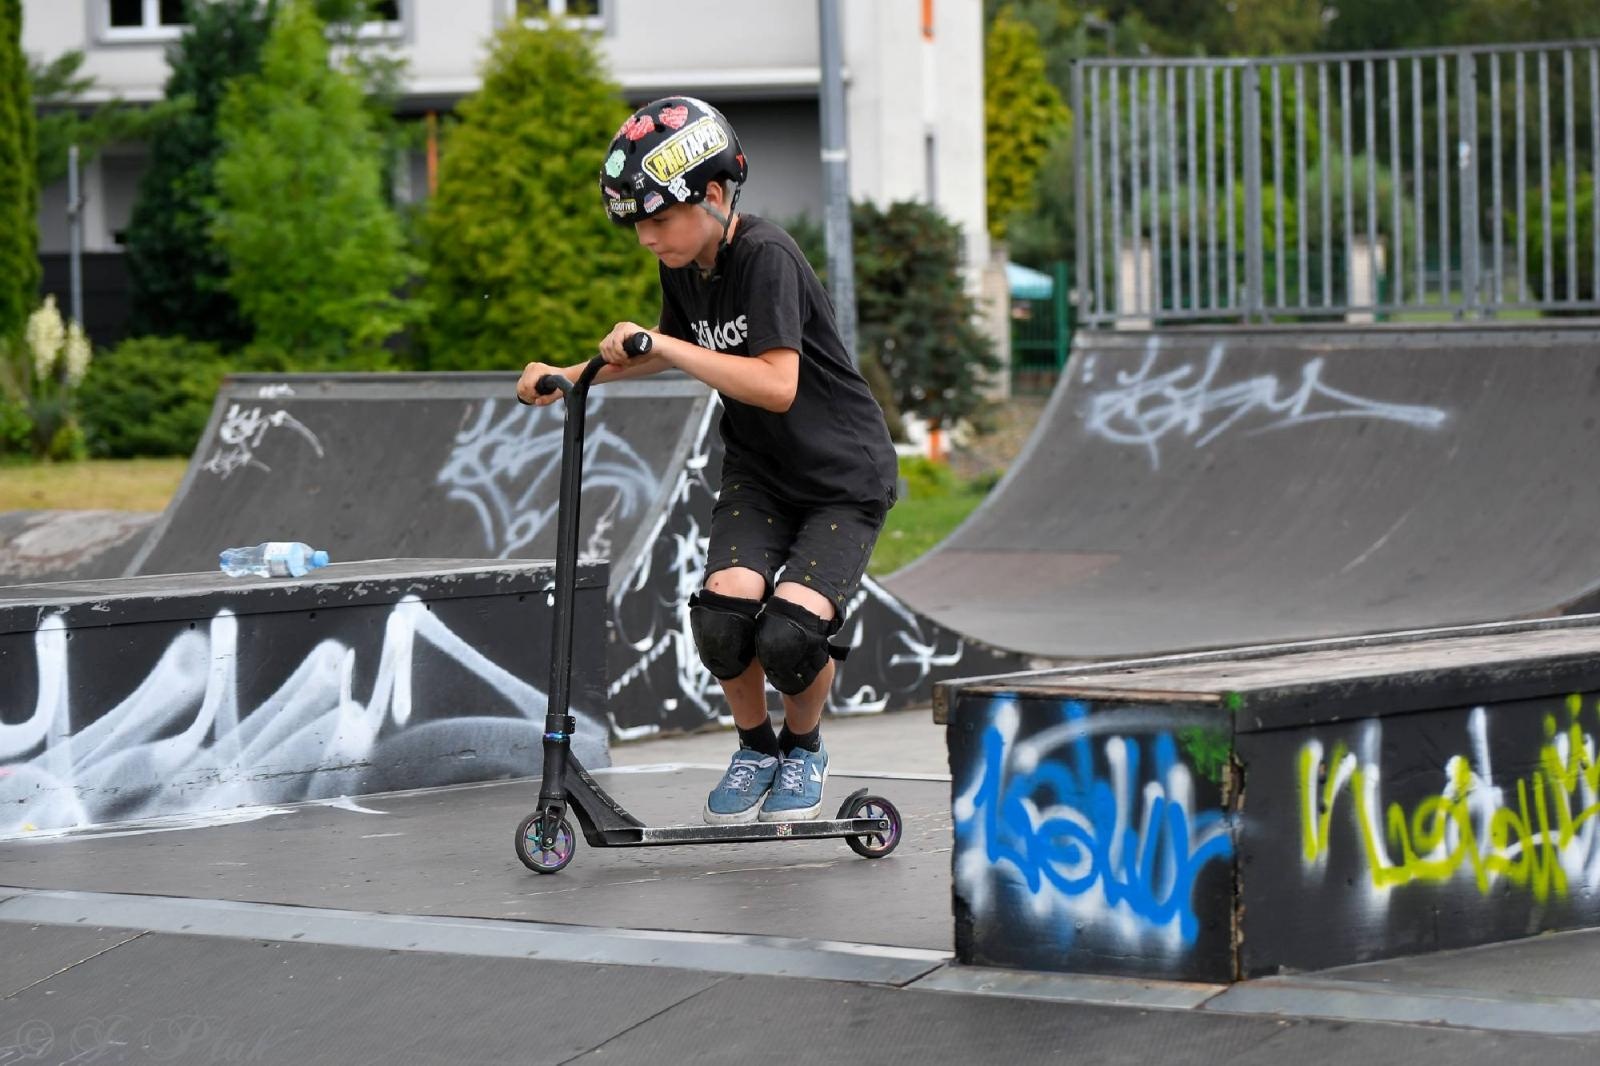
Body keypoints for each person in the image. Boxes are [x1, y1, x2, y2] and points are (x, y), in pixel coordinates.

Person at [517, 96, 898, 825]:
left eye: (658, 222)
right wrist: (571, 376)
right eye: (638, 227)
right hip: (760, 473)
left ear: (715, 196)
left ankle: (803, 745)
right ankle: (756, 748)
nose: (647, 240)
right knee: (722, 617)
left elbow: (777, 384)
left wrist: (663, 346)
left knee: (789, 632)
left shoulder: (766, 256)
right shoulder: (686, 264)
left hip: (842, 481)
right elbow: (658, 351)